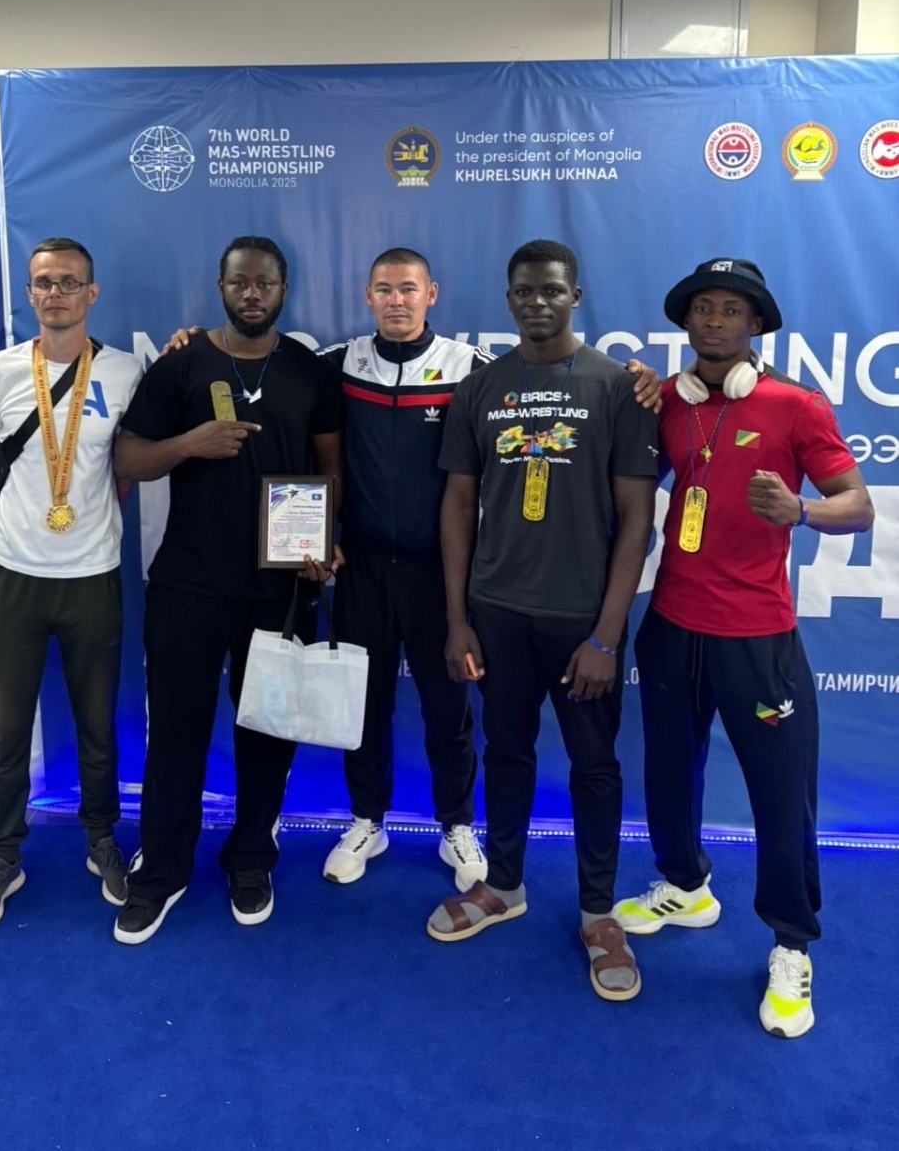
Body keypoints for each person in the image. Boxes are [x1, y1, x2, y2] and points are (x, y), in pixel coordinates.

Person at [614, 258, 874, 1038]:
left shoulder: (794, 405)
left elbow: (857, 506)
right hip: (671, 625)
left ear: (755, 324)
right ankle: (684, 885)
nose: (715, 320)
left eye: (731, 310)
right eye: (703, 307)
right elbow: (626, 476)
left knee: (780, 794)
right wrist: (630, 392)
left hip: (756, 637)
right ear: (685, 321)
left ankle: (790, 943)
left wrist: (800, 510)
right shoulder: (667, 401)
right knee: (667, 770)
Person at [425, 239, 658, 1005]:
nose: (536, 302)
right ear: (508, 298)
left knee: (593, 766)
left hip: (580, 622)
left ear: (574, 296)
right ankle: (503, 886)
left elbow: (637, 519)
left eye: (551, 290)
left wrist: (605, 635)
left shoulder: (615, 388)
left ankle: (598, 915)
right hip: (496, 614)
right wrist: (457, 619)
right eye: (523, 291)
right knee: (505, 752)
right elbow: (457, 504)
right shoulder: (479, 388)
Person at [112, 235, 342, 944]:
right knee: (174, 732)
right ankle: (162, 870)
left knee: (266, 733)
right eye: (240, 281)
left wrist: (323, 540)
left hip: (279, 588)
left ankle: (250, 859)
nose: (252, 293)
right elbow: (128, 456)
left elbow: (330, 467)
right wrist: (191, 443)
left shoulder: (307, 369)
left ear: (283, 290)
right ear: (220, 287)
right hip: (188, 582)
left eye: (264, 282)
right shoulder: (181, 363)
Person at [0, 237, 142, 935]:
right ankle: (3, 856)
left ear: (92, 293)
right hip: (12, 577)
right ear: (29, 293)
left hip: (91, 576)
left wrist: (82, 523)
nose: (55, 293)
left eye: (69, 282)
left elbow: (122, 468)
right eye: (43, 282)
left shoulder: (124, 371)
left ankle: (102, 840)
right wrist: (21, 530)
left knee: (97, 722)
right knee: (6, 729)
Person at [317, 249, 491, 889]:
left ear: (431, 294)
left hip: (441, 575)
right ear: (367, 296)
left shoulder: (472, 368)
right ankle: (368, 819)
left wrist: (637, 377)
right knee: (363, 705)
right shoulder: (336, 364)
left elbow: (544, 396)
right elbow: (264, 375)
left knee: (449, 707)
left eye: (408, 289)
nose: (397, 300)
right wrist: (190, 339)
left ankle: (457, 825)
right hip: (361, 566)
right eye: (385, 290)